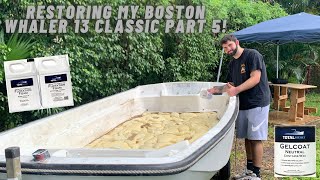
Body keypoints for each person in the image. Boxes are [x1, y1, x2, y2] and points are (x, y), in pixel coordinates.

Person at [208, 34, 270, 179]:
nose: (228, 49)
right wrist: (214, 90)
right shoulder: (232, 64)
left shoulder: (252, 55)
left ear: (236, 42)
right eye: (224, 48)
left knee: (255, 138)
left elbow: (255, 78)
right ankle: (249, 171)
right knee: (247, 138)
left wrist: (235, 90)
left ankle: (257, 174)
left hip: (257, 102)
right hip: (243, 104)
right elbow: (231, 85)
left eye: (229, 45)